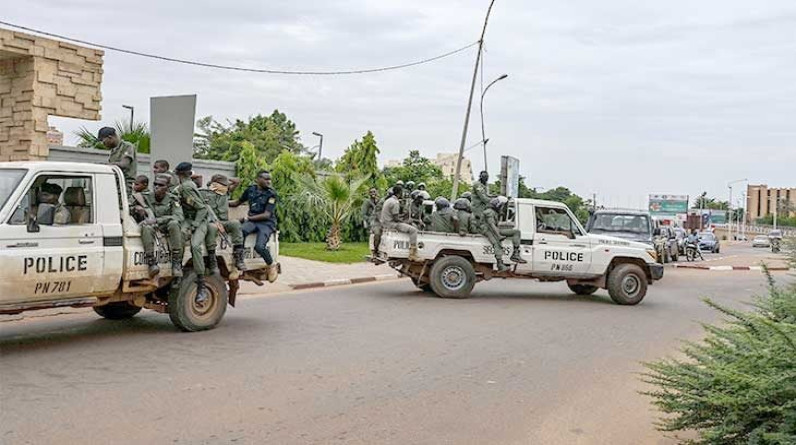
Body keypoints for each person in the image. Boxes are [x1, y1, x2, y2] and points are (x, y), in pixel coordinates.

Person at [230, 170, 279, 283]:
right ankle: (238, 265)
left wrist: (248, 219)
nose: (269, 181)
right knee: (240, 232)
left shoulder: (271, 194)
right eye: (266, 179)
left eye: (269, 179)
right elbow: (237, 202)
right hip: (252, 221)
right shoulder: (250, 190)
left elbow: (267, 214)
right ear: (258, 179)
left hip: (266, 223)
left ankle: (271, 265)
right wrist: (223, 202)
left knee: (259, 247)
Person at [173, 162, 213, 302]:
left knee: (195, 246)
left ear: (179, 174)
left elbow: (202, 209)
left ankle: (201, 284)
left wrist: (195, 225)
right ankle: (177, 271)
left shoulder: (187, 188)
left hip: (200, 220)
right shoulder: (181, 187)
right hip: (188, 219)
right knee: (180, 236)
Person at [135, 175, 185, 278]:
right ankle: (152, 263)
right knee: (146, 228)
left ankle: (176, 262)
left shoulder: (172, 199)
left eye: (161, 185)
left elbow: (179, 216)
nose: (157, 187)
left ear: (167, 187)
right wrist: (137, 208)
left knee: (174, 223)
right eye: (155, 184)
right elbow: (128, 206)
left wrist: (158, 220)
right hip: (151, 226)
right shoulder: (145, 196)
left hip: (165, 226)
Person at [202, 174, 246, 273]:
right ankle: (212, 260)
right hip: (211, 222)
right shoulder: (205, 194)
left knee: (235, 223)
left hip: (224, 222)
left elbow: (237, 181)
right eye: (223, 185)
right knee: (212, 227)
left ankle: (239, 258)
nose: (226, 187)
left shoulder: (225, 193)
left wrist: (226, 180)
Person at [482, 196, 527, 271]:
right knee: (497, 243)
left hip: (491, 229)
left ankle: (515, 254)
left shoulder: (493, 212)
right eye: (502, 205)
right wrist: (498, 235)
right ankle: (500, 264)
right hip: (488, 230)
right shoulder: (489, 212)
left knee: (516, 232)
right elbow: (491, 225)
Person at [380, 182, 420, 261]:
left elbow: (394, 215)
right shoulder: (395, 202)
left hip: (386, 222)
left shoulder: (388, 200)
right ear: (399, 193)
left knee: (407, 223)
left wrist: (403, 217)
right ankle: (412, 254)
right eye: (401, 192)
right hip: (392, 224)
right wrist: (405, 220)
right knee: (413, 230)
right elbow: (396, 219)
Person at [99, 127, 137, 194]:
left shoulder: (127, 146)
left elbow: (124, 164)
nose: (103, 144)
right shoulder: (113, 150)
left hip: (125, 185)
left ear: (110, 137)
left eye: (103, 141)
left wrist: (105, 165)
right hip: (115, 184)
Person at [370, 188, 392, 257]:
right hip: (377, 221)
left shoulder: (393, 201)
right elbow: (377, 212)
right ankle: (375, 251)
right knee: (377, 233)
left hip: (387, 221)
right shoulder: (382, 201)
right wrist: (382, 221)